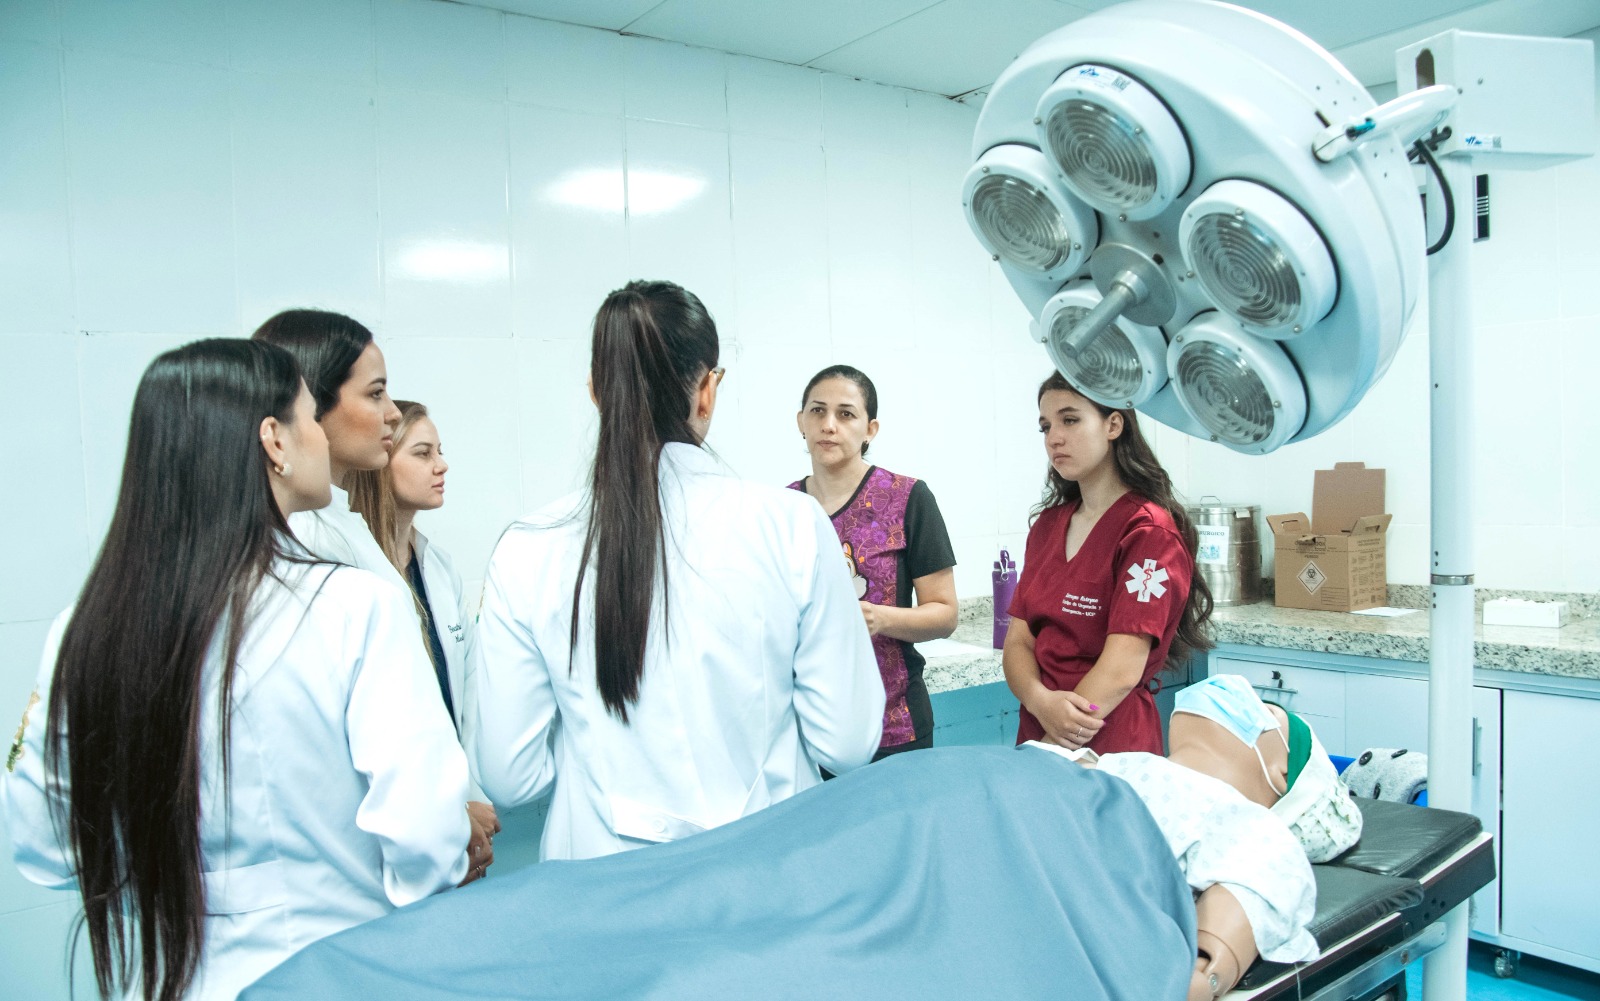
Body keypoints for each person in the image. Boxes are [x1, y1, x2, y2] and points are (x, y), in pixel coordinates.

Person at [239, 690, 1363, 1001]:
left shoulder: (1237, 820)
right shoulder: (1110, 763)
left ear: (1279, 767)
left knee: (738, 943)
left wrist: (1194, 966)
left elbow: (1228, 923)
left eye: (1258, 718)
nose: (1226, 708)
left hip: (1010, 835)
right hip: (951, 803)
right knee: (693, 897)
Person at [1, 339, 474, 1001]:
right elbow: (429, 838)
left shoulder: (85, 628)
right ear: (274, 440)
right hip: (329, 973)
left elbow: (45, 846)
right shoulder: (354, 607)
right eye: (311, 417)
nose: (323, 437)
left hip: (160, 980)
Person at [468, 280, 885, 861]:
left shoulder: (528, 547)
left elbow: (511, 777)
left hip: (601, 880)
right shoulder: (792, 523)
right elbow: (847, 743)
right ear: (707, 390)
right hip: (770, 868)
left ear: (598, 393)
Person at [253, 311, 499, 860]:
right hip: (371, 856)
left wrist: (457, 807)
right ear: (307, 406)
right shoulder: (310, 549)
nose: (390, 413)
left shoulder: (348, 535)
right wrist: (443, 828)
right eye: (375, 394)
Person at [1029, 673, 1364, 1000]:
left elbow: (1251, 891)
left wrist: (1202, 975)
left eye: (1268, 710)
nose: (1230, 688)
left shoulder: (1249, 826)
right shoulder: (1113, 763)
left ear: (1281, 773)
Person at [1003, 371, 1213, 754]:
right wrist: (1039, 700)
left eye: (1070, 420)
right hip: (1039, 728)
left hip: (1107, 739)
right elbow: (1018, 641)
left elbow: (1121, 670)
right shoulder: (1047, 527)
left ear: (1113, 425)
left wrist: (1050, 748)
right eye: (1046, 427)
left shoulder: (1148, 533)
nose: (1054, 438)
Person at [789, 365, 957, 760]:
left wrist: (876, 618)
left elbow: (945, 614)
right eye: (817, 411)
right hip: (807, 726)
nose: (829, 425)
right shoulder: (784, 508)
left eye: (846, 414)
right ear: (801, 422)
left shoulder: (907, 498)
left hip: (894, 725)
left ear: (870, 429)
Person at [347, 401, 471, 742]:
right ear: (381, 463)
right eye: (423, 453)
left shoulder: (441, 569)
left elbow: (470, 695)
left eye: (439, 452)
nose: (442, 465)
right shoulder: (352, 570)